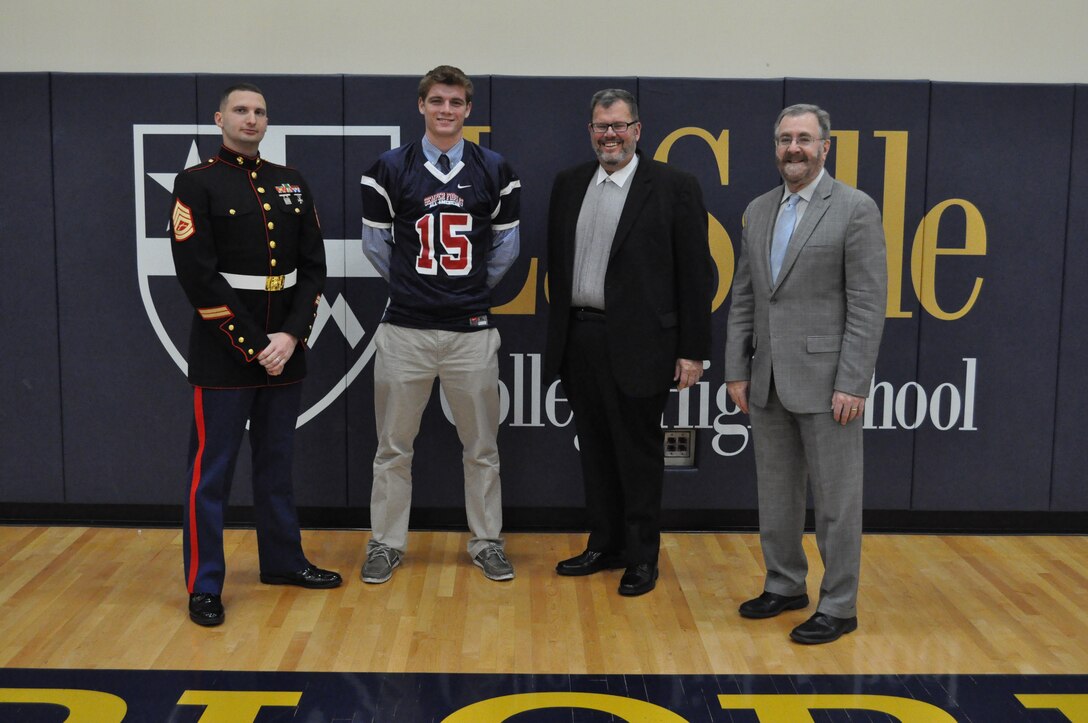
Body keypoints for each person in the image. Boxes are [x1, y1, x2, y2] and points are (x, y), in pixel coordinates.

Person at [170, 83, 342, 627]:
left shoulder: (290, 183)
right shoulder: (196, 182)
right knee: (211, 474)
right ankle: (204, 584)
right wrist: (253, 344)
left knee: (276, 467)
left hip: (284, 349)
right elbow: (196, 275)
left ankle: (284, 561)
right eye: (241, 110)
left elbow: (312, 269)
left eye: (260, 111)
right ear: (219, 118)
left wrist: (290, 337)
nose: (251, 119)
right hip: (226, 354)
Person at [725, 103, 887, 644]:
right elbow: (744, 296)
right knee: (777, 496)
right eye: (784, 139)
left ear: (825, 147)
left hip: (827, 385)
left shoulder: (855, 209)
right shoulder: (758, 209)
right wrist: (736, 370)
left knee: (837, 503)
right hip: (766, 378)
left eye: (803, 138)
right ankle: (785, 584)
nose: (793, 148)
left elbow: (867, 304)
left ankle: (839, 605)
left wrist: (852, 382)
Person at [544, 89, 713, 597]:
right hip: (580, 338)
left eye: (619, 126)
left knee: (638, 457)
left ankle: (641, 557)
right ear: (590, 131)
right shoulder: (569, 183)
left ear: (638, 131)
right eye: (601, 126)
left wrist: (692, 350)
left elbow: (696, 276)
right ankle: (605, 543)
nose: (610, 135)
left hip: (643, 346)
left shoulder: (674, 187)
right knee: (593, 451)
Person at [359, 65, 521, 583]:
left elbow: (505, 249)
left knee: (482, 448)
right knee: (392, 447)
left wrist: (465, 291)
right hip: (405, 328)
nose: (446, 109)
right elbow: (376, 246)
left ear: (468, 109)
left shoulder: (495, 168)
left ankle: (488, 541)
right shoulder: (387, 168)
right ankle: (385, 543)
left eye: (455, 102)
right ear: (421, 106)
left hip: (471, 330)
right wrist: (417, 289)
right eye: (437, 101)